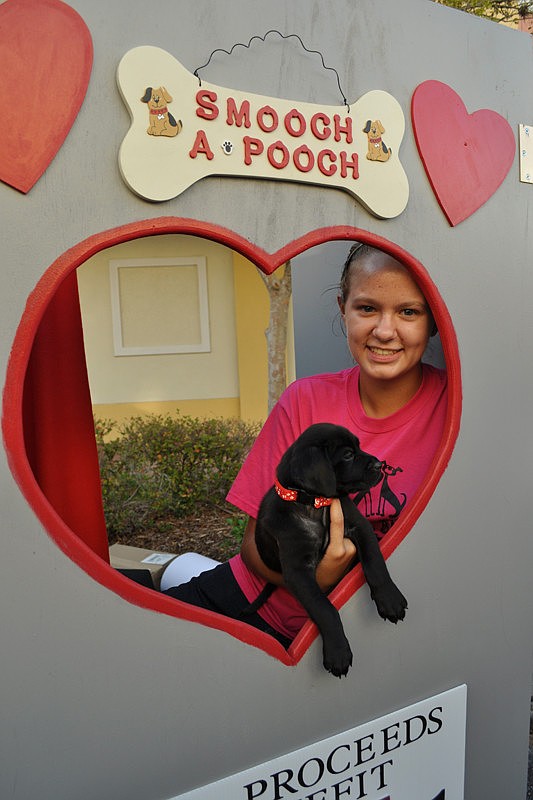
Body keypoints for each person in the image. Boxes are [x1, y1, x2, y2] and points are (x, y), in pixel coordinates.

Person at [162, 243, 447, 649]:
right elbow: (253, 546)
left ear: (433, 320)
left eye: (409, 312)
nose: (385, 331)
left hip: (371, 638)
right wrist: (316, 578)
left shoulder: (456, 407)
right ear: (342, 307)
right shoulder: (305, 401)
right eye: (366, 308)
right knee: (130, 641)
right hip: (258, 610)